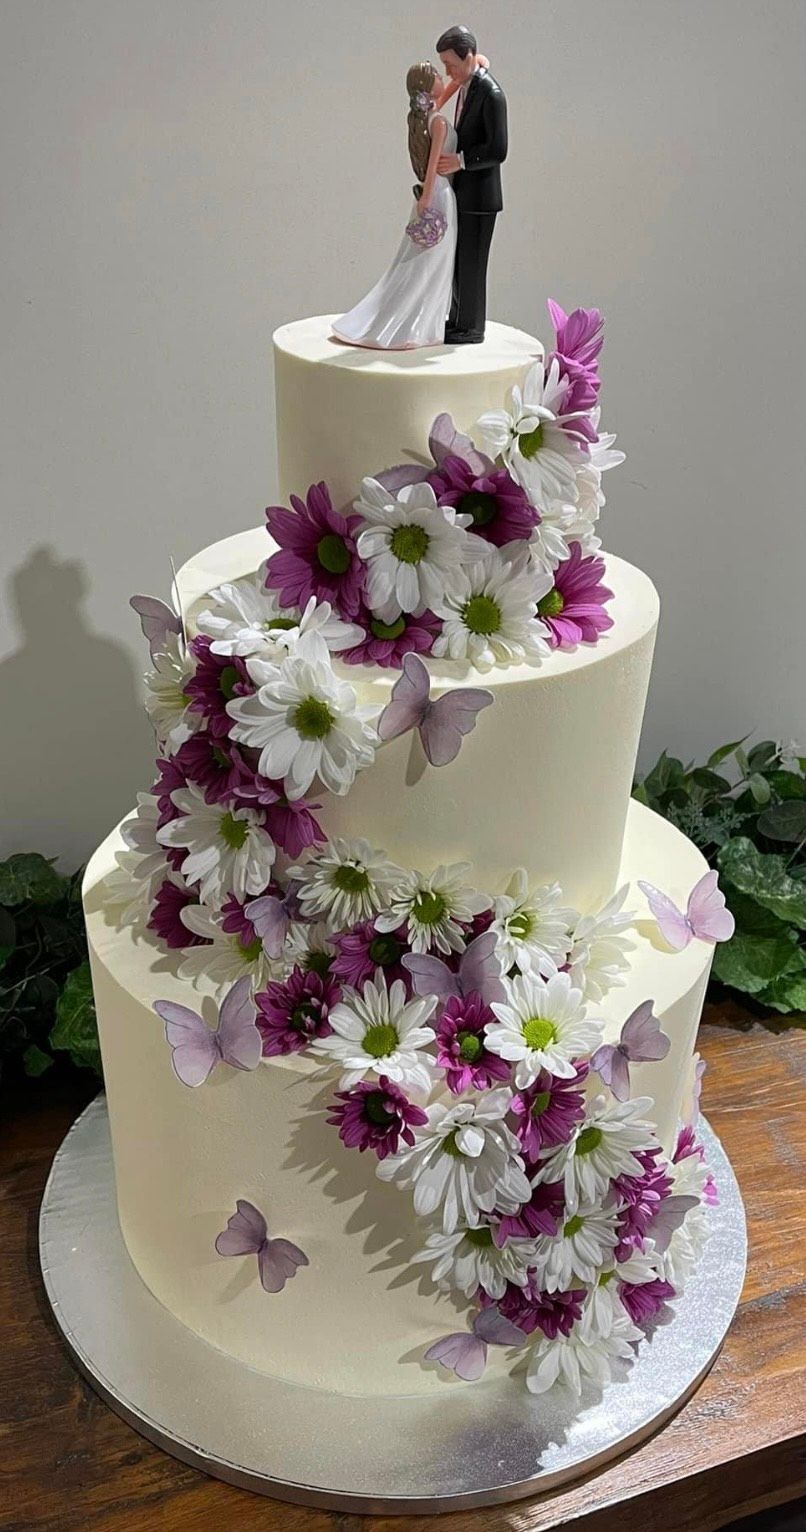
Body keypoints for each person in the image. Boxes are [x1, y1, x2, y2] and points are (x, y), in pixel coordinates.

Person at [330, 61, 464, 351]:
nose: (444, 78)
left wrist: (474, 68)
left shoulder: (427, 115)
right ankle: (416, 324)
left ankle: (419, 319)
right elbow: (432, 166)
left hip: (434, 193)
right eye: (438, 76)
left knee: (427, 260)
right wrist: (427, 197)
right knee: (430, 261)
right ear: (428, 87)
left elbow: (451, 89)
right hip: (439, 194)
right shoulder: (438, 122)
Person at [435, 25, 507, 344]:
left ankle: (472, 327)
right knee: (460, 262)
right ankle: (459, 319)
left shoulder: (491, 94)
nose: (447, 71)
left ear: (467, 58)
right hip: (465, 193)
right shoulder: (467, 84)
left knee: (473, 264)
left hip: (481, 196)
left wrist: (462, 160)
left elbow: (498, 149)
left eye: (450, 64)